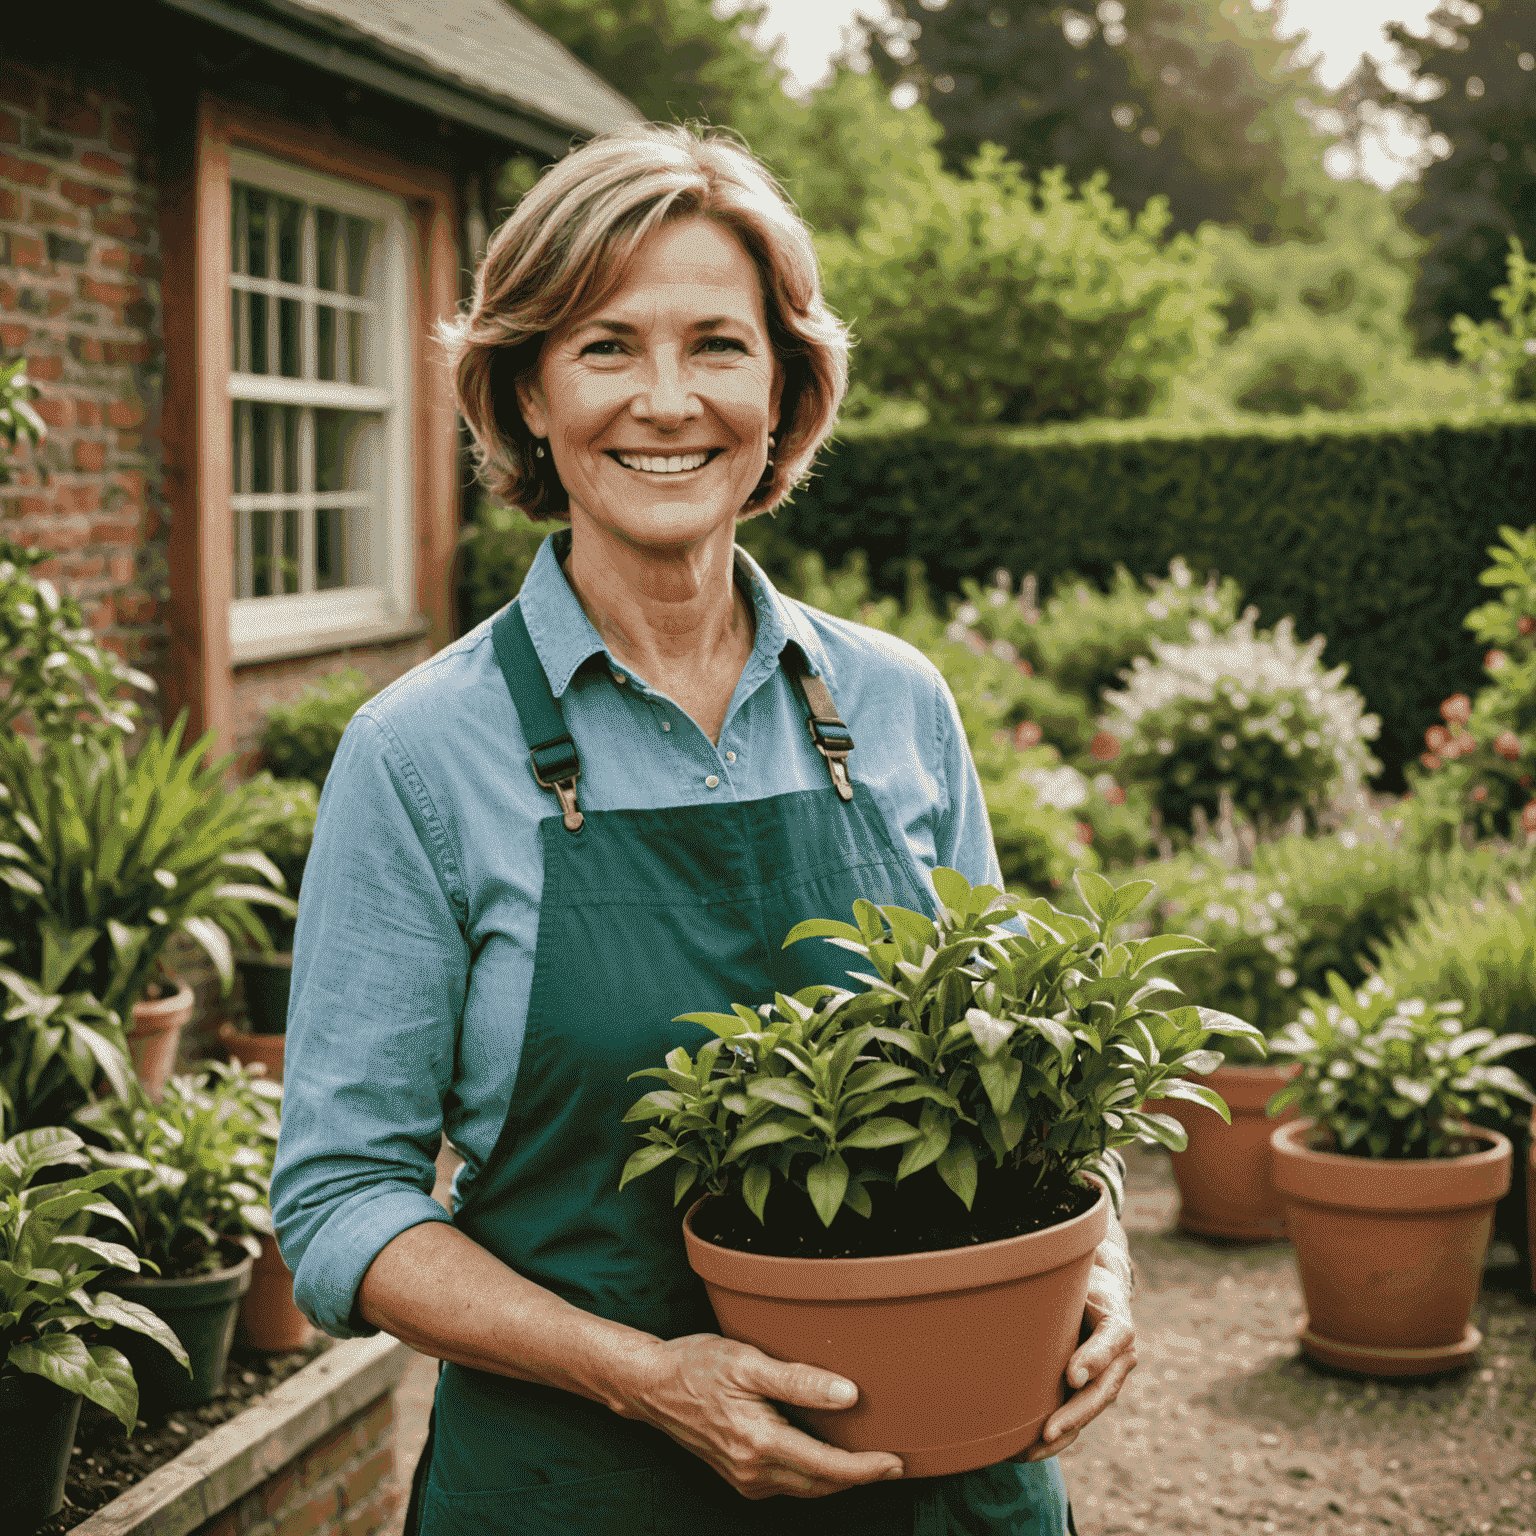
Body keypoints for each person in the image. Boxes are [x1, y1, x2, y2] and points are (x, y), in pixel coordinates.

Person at [271, 122, 1137, 1536]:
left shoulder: (896, 703)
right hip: (583, 1485)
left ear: (788, 389)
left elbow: (1030, 1107)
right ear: (527, 395)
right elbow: (339, 1202)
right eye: (606, 345)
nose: (666, 400)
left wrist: (1098, 1274)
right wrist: (645, 1376)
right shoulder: (421, 755)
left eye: (719, 345)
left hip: (937, 1487)